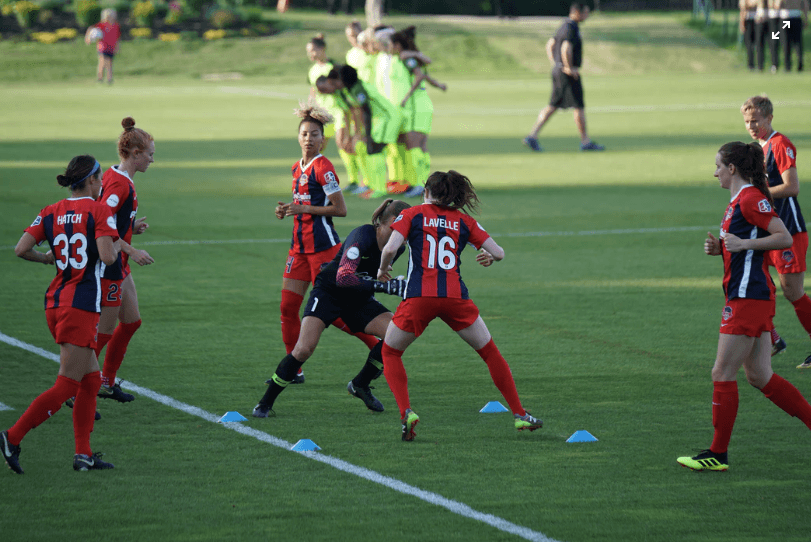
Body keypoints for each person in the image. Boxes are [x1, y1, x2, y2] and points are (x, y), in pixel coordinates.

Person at [376, 170, 544, 441]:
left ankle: (406, 412)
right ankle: (520, 414)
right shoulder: (464, 221)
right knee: (490, 352)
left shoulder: (412, 214)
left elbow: (389, 249)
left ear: (426, 192)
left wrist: (383, 270)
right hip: (455, 297)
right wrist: (489, 256)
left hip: (420, 297)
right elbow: (499, 253)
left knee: (391, 353)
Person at [677, 142, 811, 471]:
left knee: (722, 372)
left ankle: (717, 454)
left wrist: (743, 243)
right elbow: (741, 247)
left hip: (748, 297)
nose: (715, 172)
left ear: (733, 169)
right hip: (750, 295)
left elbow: (783, 237)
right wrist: (721, 249)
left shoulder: (752, 198)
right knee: (760, 375)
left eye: (719, 166)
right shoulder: (737, 200)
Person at [2, 155, 119, 474]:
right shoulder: (99, 210)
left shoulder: (50, 211)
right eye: (100, 179)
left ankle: (83, 454)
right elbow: (108, 257)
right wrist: (123, 244)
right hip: (80, 305)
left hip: (56, 301)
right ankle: (12, 437)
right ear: (93, 180)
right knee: (67, 385)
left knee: (91, 380)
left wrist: (47, 260)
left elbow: (21, 249)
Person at [253, 199, 411, 418]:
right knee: (304, 349)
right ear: (394, 222)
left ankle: (360, 384)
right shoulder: (363, 235)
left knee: (396, 334)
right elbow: (344, 278)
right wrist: (385, 286)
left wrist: (391, 282)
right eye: (409, 223)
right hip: (329, 293)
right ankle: (265, 403)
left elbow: (374, 274)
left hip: (358, 298)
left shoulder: (398, 247)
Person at [277, 103, 379, 383]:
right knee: (287, 308)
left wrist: (304, 210)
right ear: (298, 137)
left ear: (323, 140)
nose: (308, 139)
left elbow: (340, 209)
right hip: (298, 250)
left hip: (324, 250)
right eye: (304, 134)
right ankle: (293, 369)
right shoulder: (297, 168)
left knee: (336, 315)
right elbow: (305, 204)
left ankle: (379, 349)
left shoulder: (325, 168)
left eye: (314, 134)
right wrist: (288, 209)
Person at [740, 96, 811, 367]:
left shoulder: (780, 144)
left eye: (756, 120)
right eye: (747, 121)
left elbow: (792, 187)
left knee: (792, 291)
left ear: (769, 118)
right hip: (766, 230)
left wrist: (757, 193)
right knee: (759, 283)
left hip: (788, 231)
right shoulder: (758, 147)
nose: (751, 126)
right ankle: (772, 338)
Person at [93, 117, 155, 404]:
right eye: (150, 155)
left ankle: (106, 381)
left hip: (120, 261)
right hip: (109, 263)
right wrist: (133, 250)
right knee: (103, 331)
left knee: (131, 322)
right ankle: (77, 384)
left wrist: (132, 229)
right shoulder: (119, 186)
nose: (152, 161)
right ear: (135, 153)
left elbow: (115, 223)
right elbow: (101, 224)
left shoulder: (116, 176)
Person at [523, 3, 604, 153]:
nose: (587, 16)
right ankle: (585, 142)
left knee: (553, 105)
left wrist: (555, 64)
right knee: (578, 106)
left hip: (559, 71)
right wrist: (568, 67)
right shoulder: (571, 27)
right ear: (577, 12)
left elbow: (550, 44)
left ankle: (532, 136)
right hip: (567, 74)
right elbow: (565, 47)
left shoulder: (563, 25)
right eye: (586, 13)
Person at [317, 65, 403, 200]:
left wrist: (364, 134)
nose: (333, 85)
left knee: (374, 150)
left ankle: (380, 188)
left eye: (335, 82)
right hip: (378, 119)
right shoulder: (348, 90)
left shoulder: (358, 89)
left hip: (387, 117)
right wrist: (357, 133)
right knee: (367, 149)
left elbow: (366, 110)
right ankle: (372, 185)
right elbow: (354, 111)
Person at [391, 27, 447, 198]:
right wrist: (438, 85)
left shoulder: (407, 58)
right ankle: (421, 184)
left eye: (391, 44)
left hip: (416, 105)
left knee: (415, 145)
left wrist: (407, 96)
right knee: (418, 146)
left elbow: (419, 76)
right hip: (419, 104)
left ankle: (419, 184)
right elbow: (424, 73)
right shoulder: (409, 57)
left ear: (398, 45)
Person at [307, 33, 364, 194]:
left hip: (338, 112)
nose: (310, 54)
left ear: (322, 49)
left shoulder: (334, 67)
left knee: (343, 144)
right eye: (308, 51)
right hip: (321, 114)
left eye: (312, 50)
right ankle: (315, 180)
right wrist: (311, 108)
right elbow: (313, 90)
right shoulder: (312, 70)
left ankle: (355, 180)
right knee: (317, 147)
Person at [85, 8, 120, 85]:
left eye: (111, 16)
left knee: (109, 63)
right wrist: (88, 38)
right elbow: (91, 29)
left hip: (111, 47)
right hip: (102, 47)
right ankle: (100, 78)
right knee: (103, 61)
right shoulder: (101, 24)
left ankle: (109, 78)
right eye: (107, 16)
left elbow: (117, 37)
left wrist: (117, 47)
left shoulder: (116, 26)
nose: (109, 18)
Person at [778, 0, 808, 71]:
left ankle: (787, 66)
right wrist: (806, 18)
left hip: (786, 18)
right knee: (797, 42)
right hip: (797, 16)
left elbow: (777, 5)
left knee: (786, 42)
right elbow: (805, 5)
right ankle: (800, 64)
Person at [740, 0, 767, 71]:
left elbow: (760, 3)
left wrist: (751, 4)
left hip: (758, 19)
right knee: (749, 44)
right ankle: (750, 65)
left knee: (759, 43)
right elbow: (743, 6)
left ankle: (760, 65)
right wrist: (742, 23)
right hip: (747, 19)